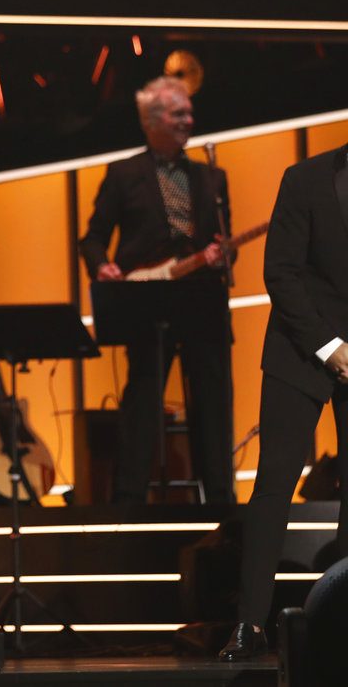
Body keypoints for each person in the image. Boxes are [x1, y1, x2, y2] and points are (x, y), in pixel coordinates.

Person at [79, 75, 235, 504]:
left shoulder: (213, 177)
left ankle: (220, 502)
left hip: (203, 297)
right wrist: (103, 266)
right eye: (178, 112)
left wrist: (224, 256)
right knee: (143, 398)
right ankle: (128, 501)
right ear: (151, 120)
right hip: (146, 299)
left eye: (189, 111)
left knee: (213, 399)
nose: (189, 119)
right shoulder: (123, 173)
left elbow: (226, 241)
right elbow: (92, 238)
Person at [220, 143, 348, 660]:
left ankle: (340, 621)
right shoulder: (306, 178)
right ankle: (250, 624)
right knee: (273, 484)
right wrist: (331, 347)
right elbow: (281, 272)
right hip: (301, 348)